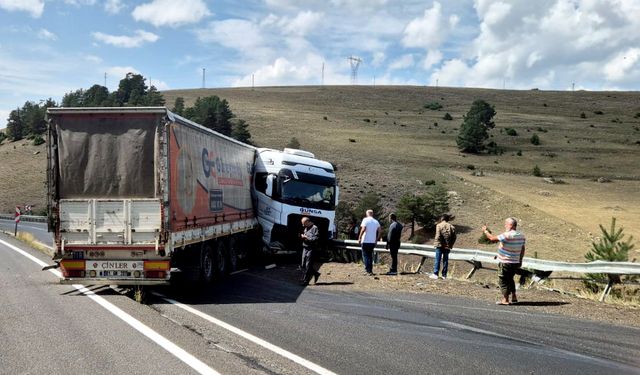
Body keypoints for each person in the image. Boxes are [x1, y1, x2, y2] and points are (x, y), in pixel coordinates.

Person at [482, 218, 526, 305]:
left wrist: (485, 231)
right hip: (515, 262)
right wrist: (520, 260)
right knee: (510, 279)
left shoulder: (506, 235)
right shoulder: (521, 236)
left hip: (505, 262)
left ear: (511, 225)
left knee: (502, 280)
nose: (505, 225)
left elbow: (492, 238)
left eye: (506, 224)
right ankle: (514, 296)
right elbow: (522, 249)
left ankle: (505, 299)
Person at [430, 214, 456, 280]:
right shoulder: (452, 227)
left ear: (442, 218)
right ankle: (444, 275)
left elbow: (438, 236)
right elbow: (454, 238)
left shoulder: (439, 225)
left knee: (437, 259)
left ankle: (435, 274)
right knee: (445, 260)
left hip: (439, 245)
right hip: (447, 246)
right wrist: (450, 245)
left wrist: (436, 243)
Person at [358, 209, 381, 275]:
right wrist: (376, 239)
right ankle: (370, 270)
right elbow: (379, 230)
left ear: (367, 214)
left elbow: (363, 229)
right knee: (370, 256)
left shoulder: (365, 220)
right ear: (372, 214)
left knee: (365, 256)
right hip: (372, 241)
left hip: (365, 240)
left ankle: (367, 270)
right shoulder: (376, 221)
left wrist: (359, 237)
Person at [300, 217, 321, 285]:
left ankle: (306, 281)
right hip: (305, 247)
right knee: (303, 264)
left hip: (311, 248)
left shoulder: (315, 228)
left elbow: (315, 239)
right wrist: (303, 237)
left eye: (304, 224)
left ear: (308, 222)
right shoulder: (306, 228)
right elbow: (306, 236)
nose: (303, 226)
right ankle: (316, 274)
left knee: (308, 265)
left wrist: (307, 238)